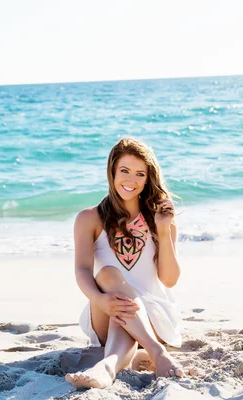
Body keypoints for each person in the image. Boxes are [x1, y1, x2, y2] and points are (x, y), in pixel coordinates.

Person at [65, 137, 184, 390]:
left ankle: (108, 365)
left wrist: (163, 230)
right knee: (108, 274)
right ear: (112, 171)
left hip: (153, 312)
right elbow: (82, 270)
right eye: (125, 171)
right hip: (105, 309)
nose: (131, 181)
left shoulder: (160, 218)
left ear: (147, 178)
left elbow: (170, 280)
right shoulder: (89, 218)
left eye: (139, 174)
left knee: (123, 310)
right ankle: (156, 352)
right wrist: (99, 300)